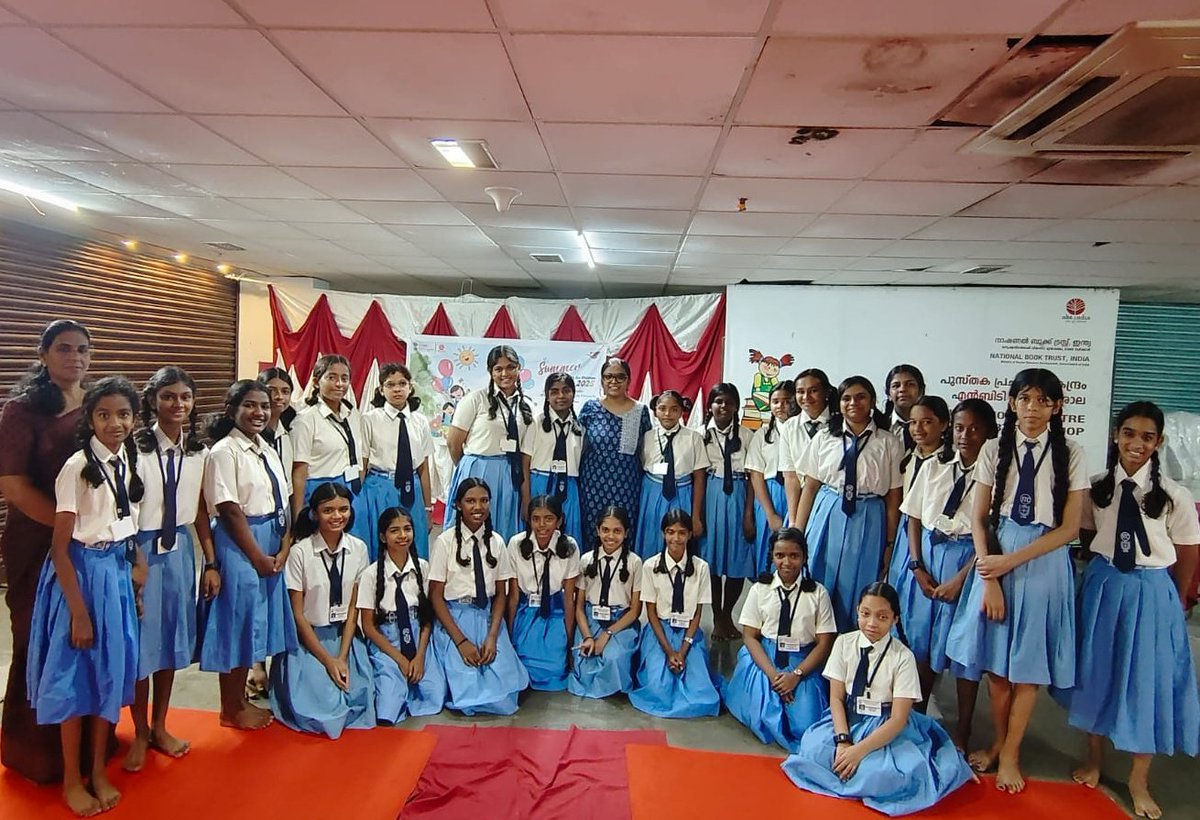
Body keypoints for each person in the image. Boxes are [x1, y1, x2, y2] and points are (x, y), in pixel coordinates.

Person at [946, 368, 1088, 793]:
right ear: (1011, 403)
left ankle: (1010, 753)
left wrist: (1010, 563)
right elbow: (977, 517)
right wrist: (990, 574)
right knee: (998, 669)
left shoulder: (1073, 453)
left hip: (1044, 560)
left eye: (1043, 401)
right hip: (998, 552)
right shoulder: (994, 448)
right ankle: (996, 742)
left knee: (1027, 669)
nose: (1032, 408)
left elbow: (1069, 530)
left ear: (1057, 407)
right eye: (1024, 399)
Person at [1067, 401, 1199, 819]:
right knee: (1097, 674)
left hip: (1152, 592)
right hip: (1105, 586)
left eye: (1146, 436)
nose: (1136, 443)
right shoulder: (1098, 486)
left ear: (1158, 442)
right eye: (1128, 433)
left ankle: (1139, 779)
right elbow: (1087, 537)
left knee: (1147, 682)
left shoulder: (1174, 497)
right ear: (1115, 436)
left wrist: (1176, 600)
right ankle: (1095, 759)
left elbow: (1188, 554)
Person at [27, 376, 143, 815]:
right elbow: (59, 547)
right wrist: (77, 612)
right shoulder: (77, 467)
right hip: (79, 577)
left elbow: (125, 524)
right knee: (73, 682)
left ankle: (98, 770)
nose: (115, 423)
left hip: (114, 575)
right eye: (104, 414)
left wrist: (136, 572)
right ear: (89, 419)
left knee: (108, 676)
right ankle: (72, 779)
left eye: (124, 414)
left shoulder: (124, 460)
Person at [0, 319, 100, 783]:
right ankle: (35, 751)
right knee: (36, 638)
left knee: (82, 639)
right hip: (39, 538)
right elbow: (14, 487)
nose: (75, 358)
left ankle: (83, 747)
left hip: (92, 542)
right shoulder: (21, 411)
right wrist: (68, 528)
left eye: (83, 349)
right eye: (63, 349)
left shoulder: (99, 405)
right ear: (43, 354)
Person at [781, 583, 974, 816]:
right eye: (865, 614)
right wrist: (843, 741)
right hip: (850, 719)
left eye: (882, 617)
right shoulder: (844, 643)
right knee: (814, 749)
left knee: (884, 773)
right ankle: (852, 768)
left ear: (894, 619)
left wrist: (858, 751)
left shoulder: (903, 656)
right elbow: (836, 698)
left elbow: (899, 718)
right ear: (857, 611)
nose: (872, 623)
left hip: (886, 726)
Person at [124, 367, 218, 772]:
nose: (177, 405)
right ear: (151, 400)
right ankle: (138, 731)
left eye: (184, 397)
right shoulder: (135, 449)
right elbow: (122, 509)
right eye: (168, 396)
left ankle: (161, 724)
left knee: (168, 643)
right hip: (140, 549)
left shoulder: (198, 452)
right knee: (141, 646)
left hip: (179, 551)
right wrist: (134, 560)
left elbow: (198, 507)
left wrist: (210, 560)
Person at [198, 379, 297, 731]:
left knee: (255, 624)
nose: (259, 412)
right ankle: (230, 706)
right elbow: (229, 509)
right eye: (250, 406)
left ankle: (241, 700)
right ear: (232, 410)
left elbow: (282, 499)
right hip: (241, 542)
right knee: (236, 622)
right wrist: (256, 556)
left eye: (264, 406)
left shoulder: (265, 448)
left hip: (271, 537)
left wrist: (284, 544)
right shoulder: (224, 452)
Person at [897, 399, 995, 746]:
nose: (965, 435)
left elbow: (992, 532)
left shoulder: (998, 475)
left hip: (969, 560)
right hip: (929, 553)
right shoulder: (934, 466)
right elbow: (913, 518)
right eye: (959, 427)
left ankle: (963, 728)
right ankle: (915, 718)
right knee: (920, 641)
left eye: (975, 429)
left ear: (989, 434)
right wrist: (917, 566)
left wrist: (963, 578)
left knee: (963, 648)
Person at [794, 376, 903, 630]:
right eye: (846, 398)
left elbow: (893, 496)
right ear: (838, 403)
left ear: (873, 401)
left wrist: (889, 542)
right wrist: (797, 532)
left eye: (861, 397)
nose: (853, 403)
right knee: (819, 578)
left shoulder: (888, 442)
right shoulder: (824, 437)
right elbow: (810, 486)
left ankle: (849, 645)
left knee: (858, 583)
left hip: (869, 516)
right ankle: (815, 644)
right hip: (829, 510)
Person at [270, 482, 374, 738]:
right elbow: (297, 615)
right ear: (315, 513)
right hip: (309, 640)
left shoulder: (358, 549)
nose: (337, 516)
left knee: (361, 696)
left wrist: (341, 656)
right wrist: (328, 661)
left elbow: (353, 610)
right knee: (323, 709)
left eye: (343, 509)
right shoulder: (299, 553)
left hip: (344, 638)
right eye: (328, 510)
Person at [725, 528, 836, 752]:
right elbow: (750, 636)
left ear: (804, 557)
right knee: (763, 716)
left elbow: (825, 643)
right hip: (765, 657)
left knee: (804, 726)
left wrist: (795, 676)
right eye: (780, 555)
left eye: (794, 556)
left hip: (801, 661)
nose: (786, 562)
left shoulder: (818, 593)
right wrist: (774, 676)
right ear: (772, 557)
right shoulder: (760, 589)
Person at [428, 478, 529, 715]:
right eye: (470, 501)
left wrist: (493, 636)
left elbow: (501, 594)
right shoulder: (445, 542)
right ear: (458, 505)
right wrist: (461, 642)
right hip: (454, 619)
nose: (478, 507)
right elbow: (435, 597)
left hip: (486, 617)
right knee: (467, 679)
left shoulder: (497, 542)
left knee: (504, 687)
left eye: (484, 501)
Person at [357, 507, 446, 724]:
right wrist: (399, 659)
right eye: (394, 531)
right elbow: (368, 627)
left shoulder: (423, 568)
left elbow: (427, 618)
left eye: (407, 529)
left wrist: (420, 656)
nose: (402, 536)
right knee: (387, 709)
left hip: (418, 636)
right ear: (382, 536)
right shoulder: (370, 574)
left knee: (434, 695)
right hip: (387, 642)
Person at [629, 510, 720, 718]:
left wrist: (683, 649)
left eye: (681, 533)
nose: (676, 539)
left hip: (689, 632)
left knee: (702, 694)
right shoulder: (650, 566)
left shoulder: (701, 568)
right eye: (670, 532)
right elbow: (651, 613)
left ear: (689, 535)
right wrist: (670, 651)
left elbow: (697, 613)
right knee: (659, 687)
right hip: (659, 632)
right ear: (663, 534)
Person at [444, 345, 533, 540]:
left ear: (518, 369)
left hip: (510, 474)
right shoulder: (476, 399)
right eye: (498, 369)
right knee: (471, 528)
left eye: (510, 367)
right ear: (490, 371)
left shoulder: (526, 405)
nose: (504, 373)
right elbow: (453, 443)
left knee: (502, 531)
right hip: (477, 469)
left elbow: (525, 454)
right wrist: (469, 467)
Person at [697, 382, 756, 640]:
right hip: (710, 493)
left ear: (736, 406)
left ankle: (727, 613)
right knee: (710, 559)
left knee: (736, 559)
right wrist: (697, 514)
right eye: (718, 401)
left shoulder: (747, 435)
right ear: (710, 406)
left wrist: (749, 513)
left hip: (739, 495)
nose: (723, 406)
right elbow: (695, 476)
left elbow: (754, 475)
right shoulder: (699, 434)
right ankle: (718, 616)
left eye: (729, 402)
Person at [358, 363, 433, 560]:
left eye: (402, 383)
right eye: (390, 385)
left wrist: (428, 507)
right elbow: (363, 463)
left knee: (413, 541)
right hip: (379, 487)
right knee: (381, 540)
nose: (397, 389)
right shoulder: (370, 419)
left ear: (410, 387)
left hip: (412, 488)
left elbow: (424, 468)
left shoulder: (420, 421)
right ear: (381, 389)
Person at [505, 495, 580, 691]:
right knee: (520, 666)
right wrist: (510, 638)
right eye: (536, 518)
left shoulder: (570, 546)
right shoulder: (516, 544)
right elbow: (512, 597)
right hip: (526, 612)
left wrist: (569, 643)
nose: (542, 525)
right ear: (529, 520)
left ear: (559, 521)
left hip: (555, 615)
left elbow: (569, 600)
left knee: (555, 670)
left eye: (548, 518)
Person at [568, 505, 643, 699]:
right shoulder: (586, 560)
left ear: (626, 533)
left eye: (617, 531)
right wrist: (587, 636)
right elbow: (579, 607)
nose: (611, 536)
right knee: (584, 661)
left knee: (614, 659)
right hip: (590, 621)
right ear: (598, 530)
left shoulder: (635, 563)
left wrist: (607, 634)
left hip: (621, 623)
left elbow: (635, 611)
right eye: (605, 530)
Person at [578, 356, 652, 540]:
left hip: (627, 486)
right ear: (602, 380)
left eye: (620, 377)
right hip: (592, 485)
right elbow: (577, 445)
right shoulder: (590, 408)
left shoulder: (640, 411)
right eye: (608, 376)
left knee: (623, 530)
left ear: (629, 380)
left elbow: (647, 450)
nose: (614, 381)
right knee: (594, 530)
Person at [885, 396, 951, 590]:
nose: (918, 429)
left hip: (932, 537)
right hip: (903, 534)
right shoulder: (907, 458)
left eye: (927, 422)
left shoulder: (951, 464)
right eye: (913, 423)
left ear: (945, 424)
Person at [634, 390, 707, 558]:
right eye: (662, 408)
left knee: (678, 538)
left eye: (674, 409)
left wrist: (696, 516)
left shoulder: (693, 438)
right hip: (652, 492)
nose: (667, 414)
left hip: (682, 492)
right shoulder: (647, 436)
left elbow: (700, 477)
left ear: (681, 412)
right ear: (655, 411)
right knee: (651, 538)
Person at [290, 354, 364, 514]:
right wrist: (297, 516)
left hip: (351, 488)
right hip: (320, 492)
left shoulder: (352, 415)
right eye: (331, 377)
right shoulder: (305, 420)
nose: (339, 384)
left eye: (345, 378)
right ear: (317, 382)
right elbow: (299, 472)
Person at [522, 373, 584, 549]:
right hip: (540, 484)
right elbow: (525, 463)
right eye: (554, 392)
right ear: (547, 396)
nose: (561, 396)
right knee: (538, 536)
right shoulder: (536, 422)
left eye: (566, 391)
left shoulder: (579, 427)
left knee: (567, 538)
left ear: (573, 393)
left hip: (569, 488)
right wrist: (526, 499)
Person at [747, 379, 798, 575]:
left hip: (796, 495)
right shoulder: (762, 435)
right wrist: (770, 513)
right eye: (776, 401)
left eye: (787, 401)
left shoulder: (802, 432)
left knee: (794, 546)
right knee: (767, 548)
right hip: (769, 497)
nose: (781, 406)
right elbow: (756, 475)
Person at [781, 368, 833, 524]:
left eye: (813, 391)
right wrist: (793, 520)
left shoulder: (838, 425)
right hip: (797, 503)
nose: (806, 397)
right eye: (800, 392)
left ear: (826, 392)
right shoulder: (790, 426)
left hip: (828, 501)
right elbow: (790, 477)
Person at [883, 365, 925, 451]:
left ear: (921, 391)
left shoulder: (933, 427)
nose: (902, 389)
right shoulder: (879, 426)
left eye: (910, 384)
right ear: (888, 394)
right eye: (896, 386)